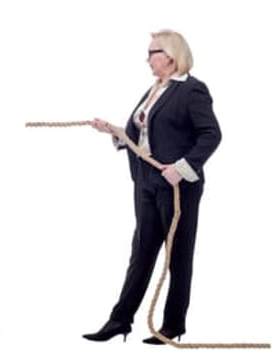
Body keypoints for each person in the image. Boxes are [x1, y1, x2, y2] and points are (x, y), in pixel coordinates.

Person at [77, 29, 222, 345]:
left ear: (170, 56)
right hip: (145, 183)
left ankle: (172, 325)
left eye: (152, 52)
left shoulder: (192, 91)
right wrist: (115, 132)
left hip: (177, 187)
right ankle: (119, 321)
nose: (147, 59)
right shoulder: (155, 89)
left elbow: (211, 135)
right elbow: (140, 135)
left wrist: (182, 168)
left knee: (178, 256)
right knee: (141, 253)